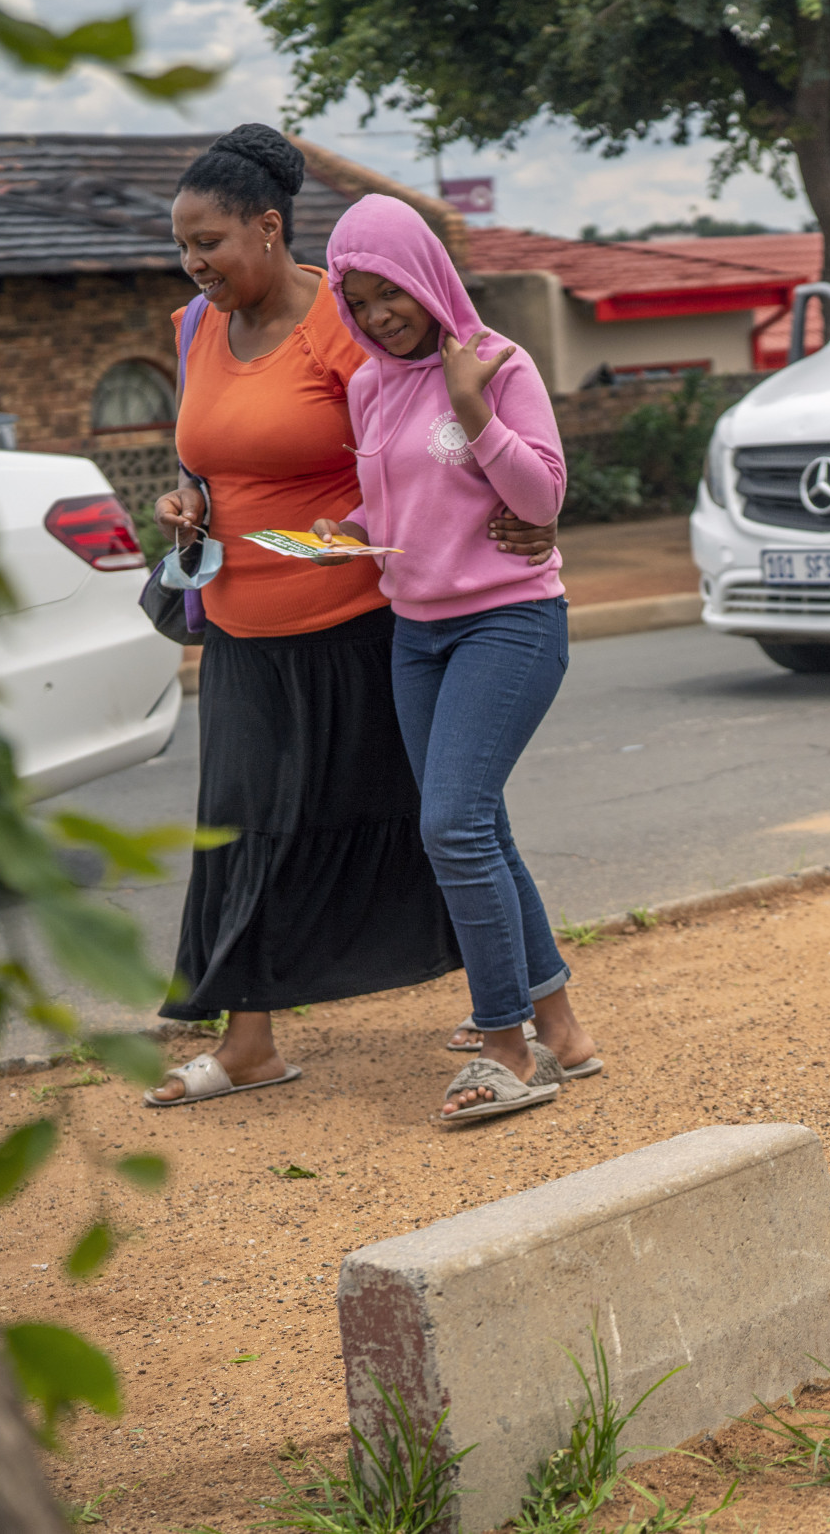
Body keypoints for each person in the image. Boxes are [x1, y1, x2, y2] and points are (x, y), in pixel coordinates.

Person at [143, 126, 553, 1108]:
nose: (196, 264)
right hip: (241, 617)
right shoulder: (195, 327)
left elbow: (425, 426)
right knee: (241, 828)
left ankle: (536, 1011)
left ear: (270, 229)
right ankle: (250, 1044)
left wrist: (504, 513)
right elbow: (210, 452)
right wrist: (189, 499)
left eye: (212, 243)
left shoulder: (351, 311)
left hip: (366, 617)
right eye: (185, 247)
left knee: (447, 814)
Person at [314, 194, 597, 1125]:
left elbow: (541, 497)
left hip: (509, 623)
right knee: (480, 827)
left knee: (453, 827)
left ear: (426, 276)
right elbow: (401, 507)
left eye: (389, 290)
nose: (379, 313)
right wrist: (342, 531)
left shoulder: (497, 364)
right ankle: (560, 1030)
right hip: (417, 631)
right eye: (359, 301)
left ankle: (503, 1045)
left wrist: (472, 406)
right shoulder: (366, 386)